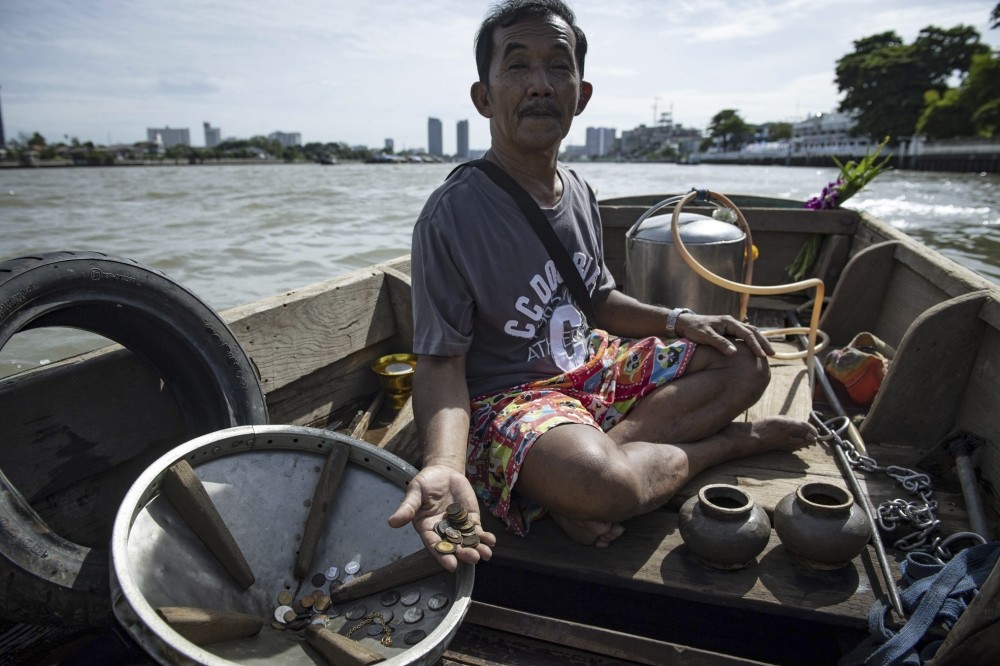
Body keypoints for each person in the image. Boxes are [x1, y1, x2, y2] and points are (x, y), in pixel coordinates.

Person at [388, 0, 817, 571]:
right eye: (517, 66)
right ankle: (726, 445)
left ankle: (573, 481)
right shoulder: (452, 215)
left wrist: (679, 321)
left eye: (558, 67)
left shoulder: (579, 192)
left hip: (592, 366)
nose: (540, 84)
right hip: (512, 398)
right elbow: (441, 364)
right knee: (603, 484)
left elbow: (596, 300)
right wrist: (443, 463)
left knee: (744, 358)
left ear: (581, 95)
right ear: (483, 97)